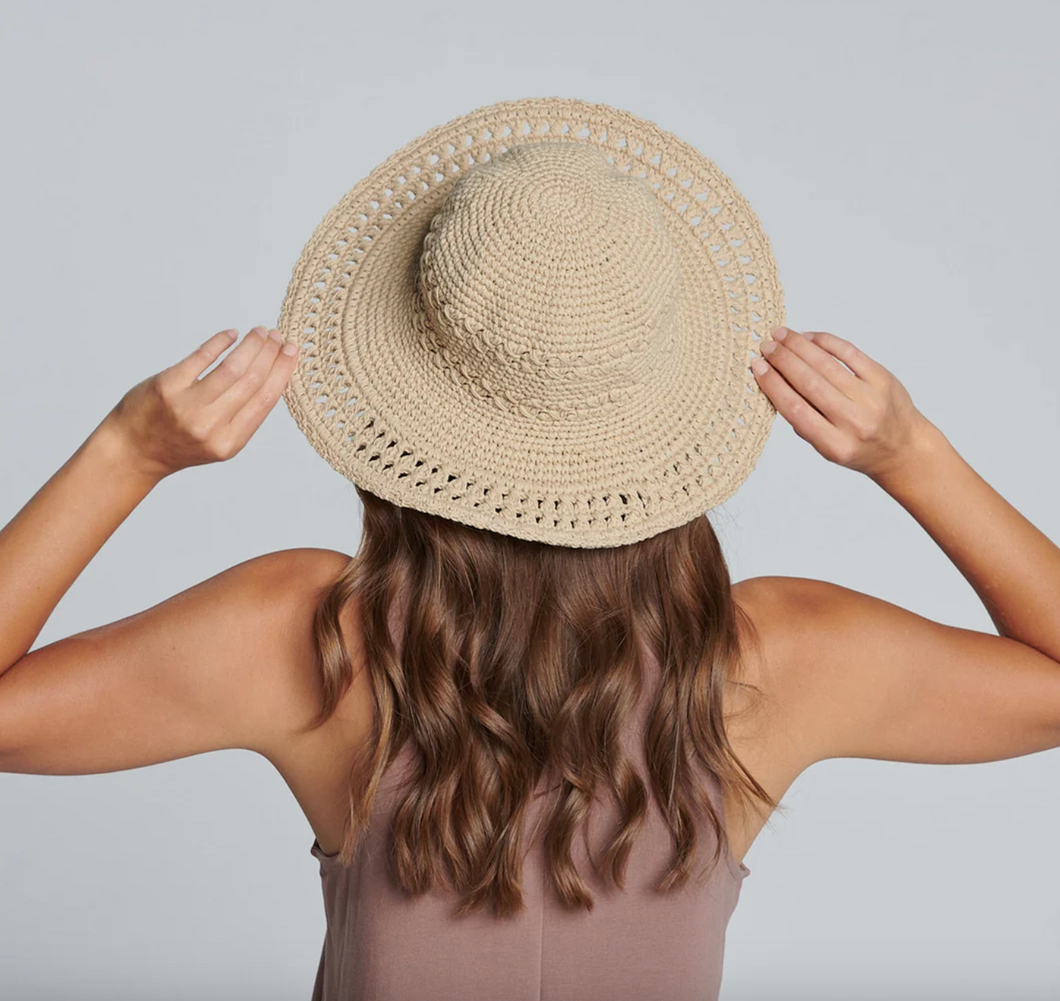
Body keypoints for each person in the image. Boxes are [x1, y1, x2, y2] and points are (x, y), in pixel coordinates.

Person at [3, 99, 1060, 1000]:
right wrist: (910, 453)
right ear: (670, 398)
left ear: (400, 398)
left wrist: (126, 451)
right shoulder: (769, 663)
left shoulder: (310, 639)